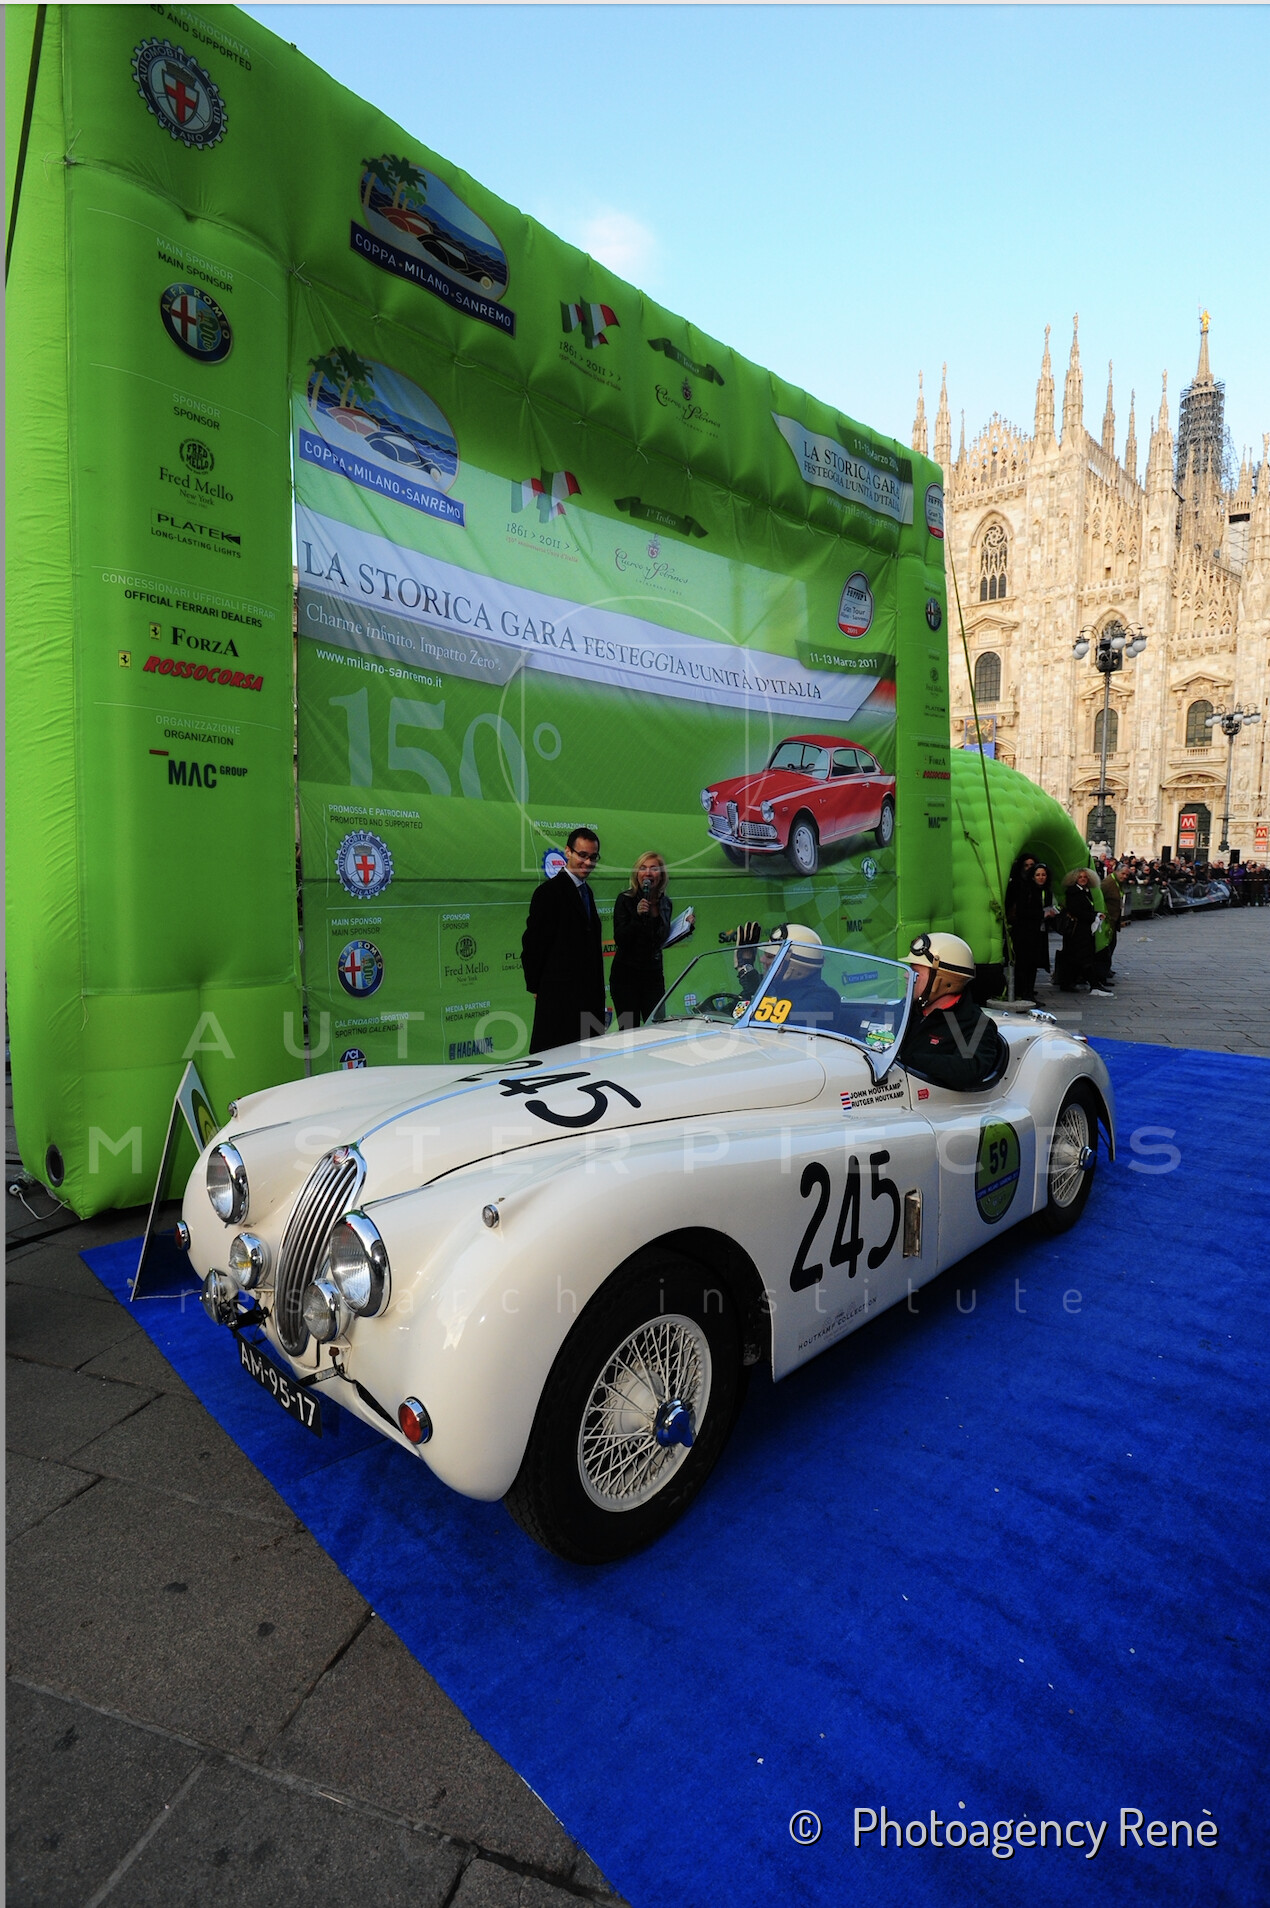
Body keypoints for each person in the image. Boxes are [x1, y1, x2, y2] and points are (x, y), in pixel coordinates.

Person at [520, 828, 606, 1052]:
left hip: (588, 999)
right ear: (568, 852)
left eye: (593, 857)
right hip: (560, 1000)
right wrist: (538, 986)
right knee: (557, 1060)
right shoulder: (548, 893)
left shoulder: (587, 892)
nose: (588, 862)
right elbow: (533, 945)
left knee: (590, 1060)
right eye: (582, 855)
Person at [898, 932, 1009, 1091]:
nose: (906, 975)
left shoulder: (975, 1025)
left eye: (916, 972)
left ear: (943, 980)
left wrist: (904, 1059)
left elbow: (968, 1069)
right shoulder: (904, 1010)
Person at [610, 852, 672, 1028]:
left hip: (653, 976)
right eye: (643, 868)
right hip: (626, 977)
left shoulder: (666, 903)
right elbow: (621, 939)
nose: (648, 873)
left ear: (661, 875)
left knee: (658, 1027)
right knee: (629, 1030)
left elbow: (660, 937)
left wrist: (685, 927)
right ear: (637, 874)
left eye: (654, 868)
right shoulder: (625, 900)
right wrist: (637, 916)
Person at [753, 923, 844, 1029]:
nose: (762, 960)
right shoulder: (775, 989)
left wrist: (753, 989)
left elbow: (780, 1018)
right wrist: (745, 968)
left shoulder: (825, 999)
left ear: (792, 963)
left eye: (770, 957)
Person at [1054, 867, 1112, 995]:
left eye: (1085, 877)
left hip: (1083, 929)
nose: (1083, 879)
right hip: (1078, 931)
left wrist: (1096, 914)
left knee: (1078, 957)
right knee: (1084, 957)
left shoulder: (1085, 891)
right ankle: (1093, 984)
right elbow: (1076, 911)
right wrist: (1093, 916)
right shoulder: (1073, 892)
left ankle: (1072, 982)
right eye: (1080, 877)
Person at [1011, 862, 1056, 1004]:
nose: (1041, 877)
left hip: (1040, 931)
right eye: (1038, 875)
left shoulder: (1047, 891)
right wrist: (1042, 914)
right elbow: (1022, 911)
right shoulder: (1027, 890)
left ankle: (1029, 992)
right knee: (1025, 963)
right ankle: (1024, 992)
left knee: (1034, 963)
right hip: (1025, 932)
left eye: (1043, 875)